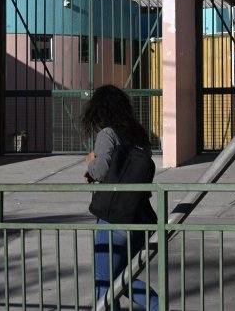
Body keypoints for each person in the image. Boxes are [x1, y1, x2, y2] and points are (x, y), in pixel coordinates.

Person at [82, 85, 159, 311]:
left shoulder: (108, 134)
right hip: (140, 216)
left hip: (114, 218)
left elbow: (102, 170)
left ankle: (157, 307)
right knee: (123, 278)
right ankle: (157, 306)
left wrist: (90, 161)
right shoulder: (139, 136)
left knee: (105, 282)